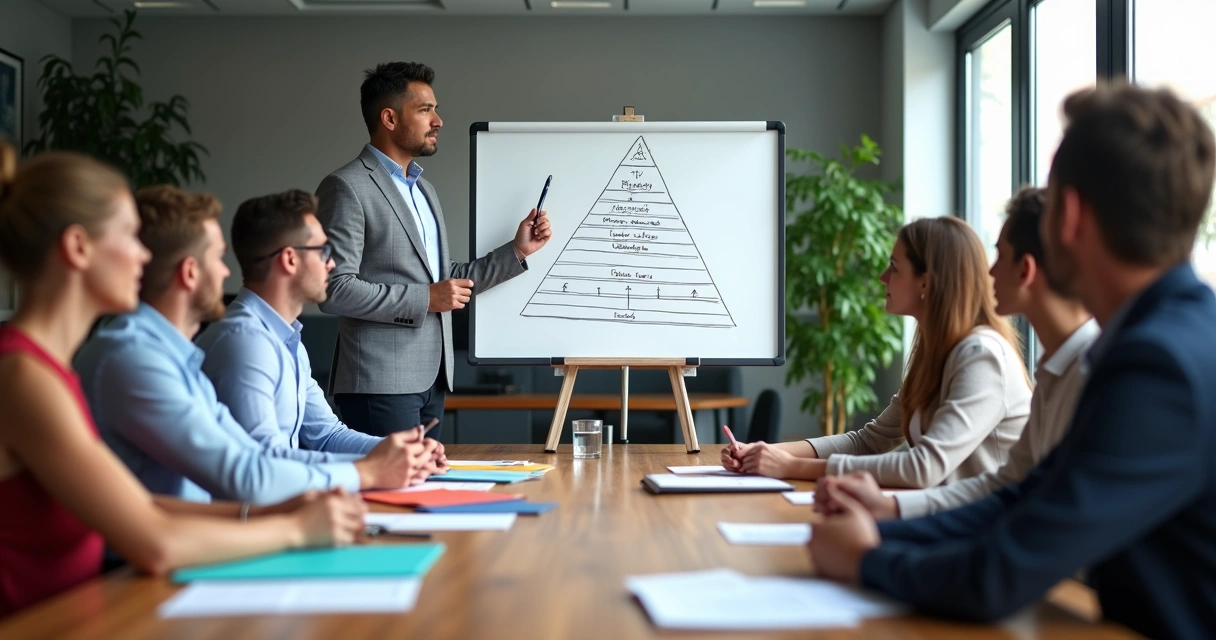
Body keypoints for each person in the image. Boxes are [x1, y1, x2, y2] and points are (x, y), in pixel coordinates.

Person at [810, 83, 1216, 640]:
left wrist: (866, 560)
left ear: (1068, 215)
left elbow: (1002, 573)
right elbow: (1025, 495)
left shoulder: (1157, 365)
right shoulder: (1166, 336)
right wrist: (884, 531)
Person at [0, 145, 364, 616]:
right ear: (77, 248)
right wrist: (295, 530)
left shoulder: (46, 369)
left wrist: (274, 512)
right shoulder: (25, 378)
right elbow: (155, 542)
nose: (144, 255)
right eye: (131, 236)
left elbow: (142, 506)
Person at [75, 185, 427, 505]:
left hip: (195, 541)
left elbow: (255, 459)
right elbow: (248, 476)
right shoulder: (143, 357)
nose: (227, 272)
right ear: (190, 272)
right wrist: (368, 471)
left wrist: (387, 456)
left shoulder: (179, 356)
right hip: (144, 566)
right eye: (217, 258)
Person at [818, 187, 1097, 519]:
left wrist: (883, 529)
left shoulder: (988, 354)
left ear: (1026, 270)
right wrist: (890, 512)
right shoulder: (1054, 368)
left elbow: (932, 471)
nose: (988, 273)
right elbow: (1005, 487)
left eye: (1000, 257)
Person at [317, 61, 553, 439]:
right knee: (390, 497)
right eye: (426, 110)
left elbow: (443, 278)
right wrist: (424, 298)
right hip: (379, 382)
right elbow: (332, 289)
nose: (438, 120)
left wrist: (518, 251)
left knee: (423, 491)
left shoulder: (424, 190)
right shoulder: (347, 187)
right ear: (390, 118)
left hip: (433, 380)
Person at [723, 216, 1030, 488]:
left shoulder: (982, 356)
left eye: (894, 268)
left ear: (926, 280)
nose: (883, 277)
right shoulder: (936, 353)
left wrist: (790, 466)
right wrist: (764, 453)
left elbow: (923, 468)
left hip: (990, 533)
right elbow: (869, 441)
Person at [196, 189, 447, 475]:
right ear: (290, 259)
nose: (331, 264)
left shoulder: (284, 337)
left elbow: (326, 435)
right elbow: (265, 463)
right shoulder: (245, 342)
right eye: (323, 251)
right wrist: (372, 469)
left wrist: (396, 449)